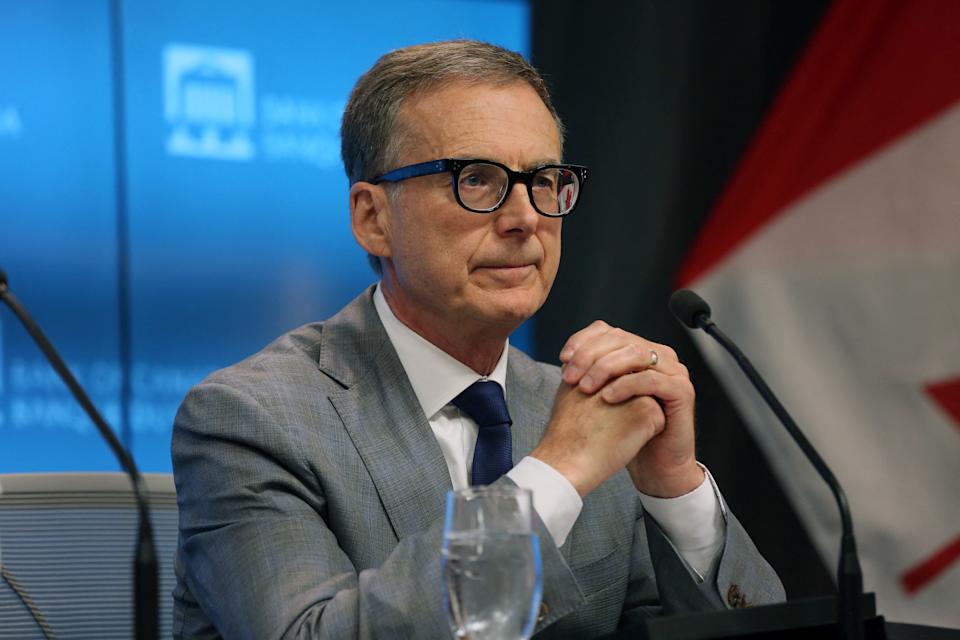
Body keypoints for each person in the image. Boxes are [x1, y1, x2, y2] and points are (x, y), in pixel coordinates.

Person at [171, 39, 784, 639]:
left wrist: (675, 486)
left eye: (544, 179)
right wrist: (556, 476)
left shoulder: (583, 407)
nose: (525, 218)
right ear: (372, 218)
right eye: (477, 179)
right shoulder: (250, 419)